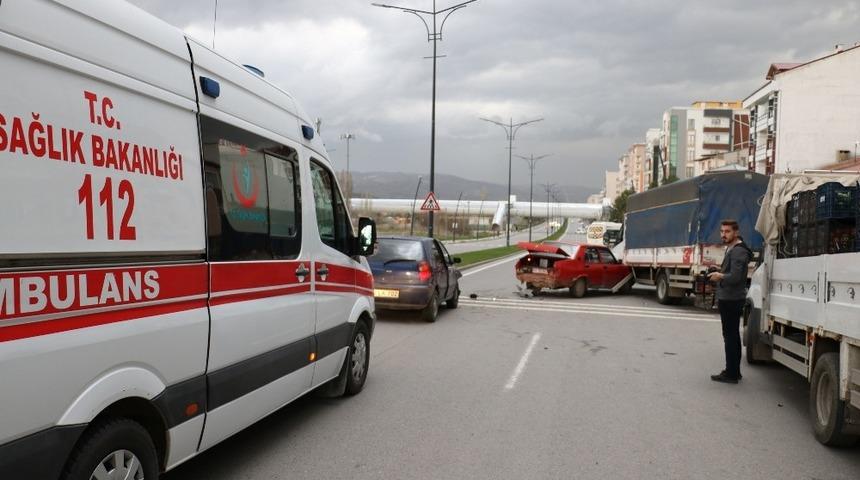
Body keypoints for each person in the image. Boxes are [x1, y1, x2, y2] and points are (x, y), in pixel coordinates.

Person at [707, 219, 753, 384]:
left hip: (731, 299)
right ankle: (734, 371)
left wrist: (720, 276)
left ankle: (731, 373)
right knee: (732, 335)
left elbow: (736, 277)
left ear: (736, 232)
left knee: (730, 336)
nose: (723, 235)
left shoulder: (738, 251)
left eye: (727, 232)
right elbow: (733, 272)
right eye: (722, 231)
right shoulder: (733, 249)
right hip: (730, 297)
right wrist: (719, 271)